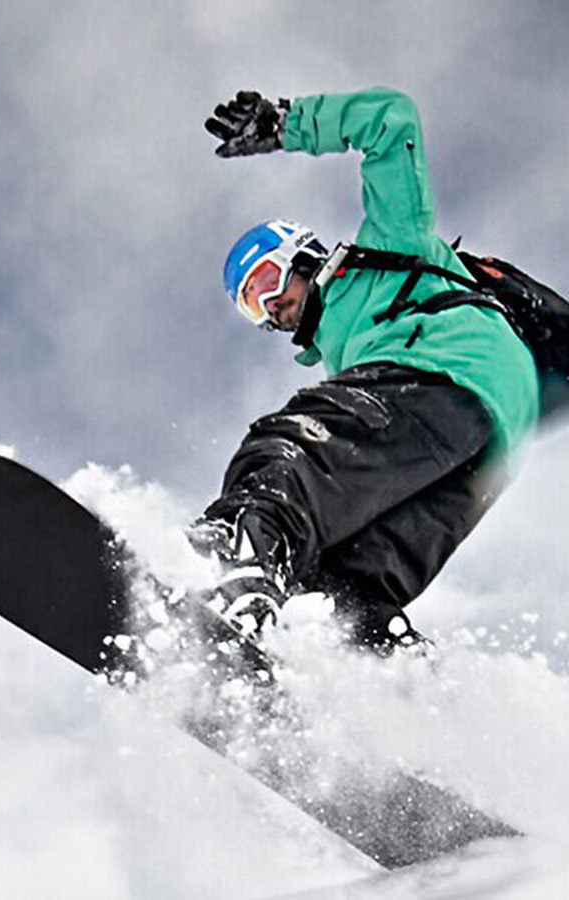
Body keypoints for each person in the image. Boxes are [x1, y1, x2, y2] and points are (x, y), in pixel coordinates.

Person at [194, 87, 541, 653]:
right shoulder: (347, 352)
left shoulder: (387, 246)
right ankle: (390, 682)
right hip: (489, 447)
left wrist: (285, 125)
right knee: (347, 586)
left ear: (303, 255)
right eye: (251, 304)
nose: (270, 305)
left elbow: (392, 119)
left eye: (268, 280)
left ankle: (245, 570)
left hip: (445, 371)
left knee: (286, 454)